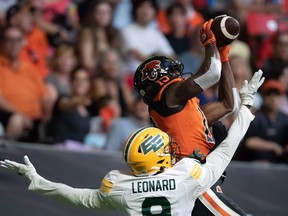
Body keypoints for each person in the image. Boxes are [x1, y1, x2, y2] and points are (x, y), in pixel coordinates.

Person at [0, 73, 263, 215]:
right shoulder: (188, 174)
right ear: (160, 158)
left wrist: (37, 180)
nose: (172, 152)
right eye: (167, 150)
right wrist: (246, 105)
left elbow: (77, 197)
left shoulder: (119, 186)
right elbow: (227, 148)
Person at [133, 18, 248, 215]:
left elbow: (229, 105)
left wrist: (224, 56)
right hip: (194, 180)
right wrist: (209, 43)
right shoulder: (169, 95)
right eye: (171, 70)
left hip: (200, 178)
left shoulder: (180, 111)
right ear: (159, 77)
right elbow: (211, 73)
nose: (179, 73)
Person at [0, 25, 51, 142]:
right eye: (10, 40)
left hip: (34, 119)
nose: (14, 44)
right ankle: (5, 155)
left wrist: (47, 114)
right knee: (17, 120)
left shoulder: (29, 67)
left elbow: (43, 94)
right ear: (2, 42)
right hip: (8, 115)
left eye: (18, 40)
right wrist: (21, 114)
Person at [243, 79, 288, 163]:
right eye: (269, 94)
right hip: (256, 161)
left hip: (279, 163)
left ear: (281, 97)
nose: (273, 98)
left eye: (276, 95)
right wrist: (273, 146)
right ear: (263, 96)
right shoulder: (255, 116)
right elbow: (249, 142)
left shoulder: (285, 119)